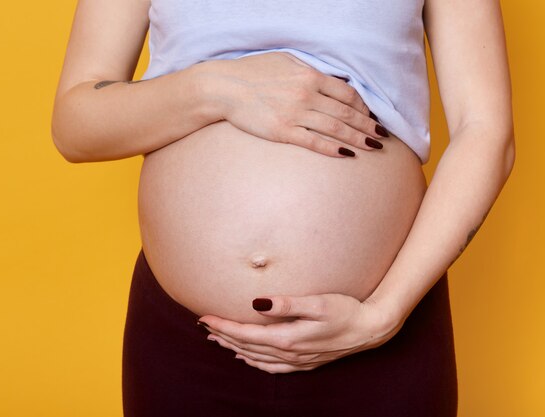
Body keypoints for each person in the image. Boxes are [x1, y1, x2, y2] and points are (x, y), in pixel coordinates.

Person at [51, 0, 515, 415]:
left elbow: (485, 131)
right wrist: (216, 88)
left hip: (380, 328)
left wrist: (383, 315)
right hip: (186, 340)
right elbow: (75, 124)